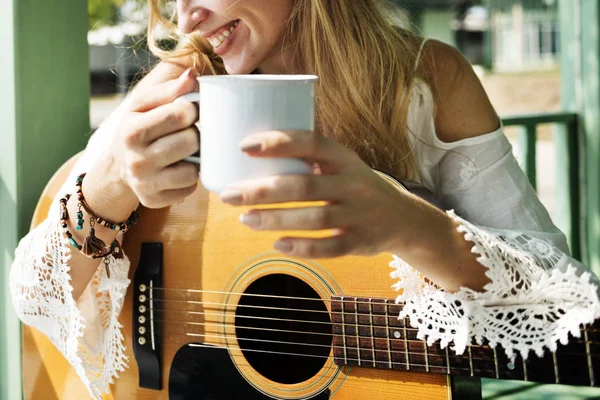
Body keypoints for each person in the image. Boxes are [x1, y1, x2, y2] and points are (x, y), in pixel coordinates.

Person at [9, 0, 600, 398]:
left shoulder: (425, 82)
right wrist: (107, 185)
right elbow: (32, 297)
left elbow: (561, 296)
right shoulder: (179, 86)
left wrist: (416, 228)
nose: (188, 15)